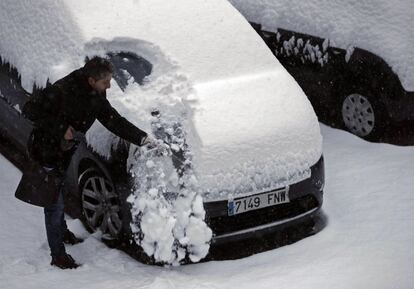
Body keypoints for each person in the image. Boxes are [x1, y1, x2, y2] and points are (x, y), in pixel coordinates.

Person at [20, 56, 156, 269]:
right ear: (92, 80)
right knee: (53, 205)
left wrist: (142, 138)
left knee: (60, 192)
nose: (109, 85)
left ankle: (62, 232)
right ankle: (58, 256)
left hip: (64, 153)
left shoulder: (96, 93)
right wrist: (60, 128)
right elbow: (29, 110)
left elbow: (112, 120)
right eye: (105, 82)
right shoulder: (62, 90)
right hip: (46, 151)